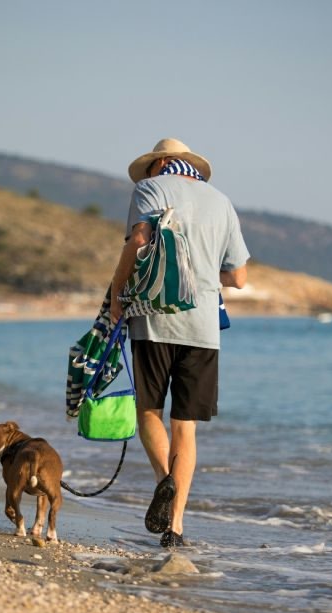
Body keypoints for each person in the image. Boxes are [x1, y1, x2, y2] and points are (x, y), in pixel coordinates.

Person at [108, 138, 249, 548]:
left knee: (149, 410)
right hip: (202, 327)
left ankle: (163, 482)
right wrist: (203, 273)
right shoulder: (221, 201)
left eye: (152, 166)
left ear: (163, 163)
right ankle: (176, 529)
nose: (149, 174)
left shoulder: (149, 190)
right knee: (184, 425)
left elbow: (137, 243)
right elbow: (238, 278)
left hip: (153, 318)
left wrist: (118, 296)